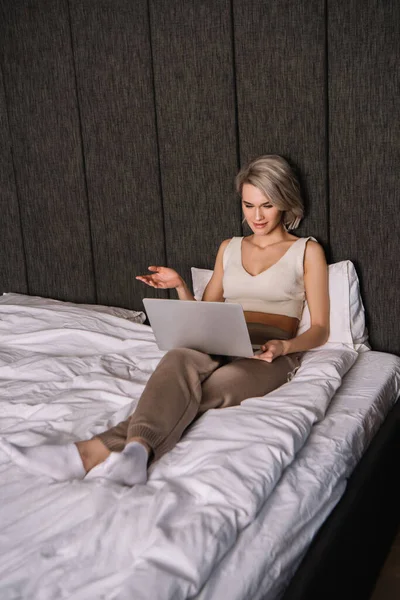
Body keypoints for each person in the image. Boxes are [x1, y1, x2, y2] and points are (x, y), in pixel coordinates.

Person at [3, 155, 329, 485]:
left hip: (269, 354)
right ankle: (135, 454)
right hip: (221, 339)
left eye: (267, 205)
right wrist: (181, 287)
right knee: (177, 360)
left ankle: (91, 453)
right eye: (248, 205)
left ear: (285, 202)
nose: (256, 216)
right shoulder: (229, 248)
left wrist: (286, 345)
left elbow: (320, 329)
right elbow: (202, 314)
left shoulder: (306, 251)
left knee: (206, 390)